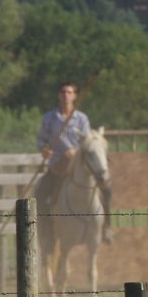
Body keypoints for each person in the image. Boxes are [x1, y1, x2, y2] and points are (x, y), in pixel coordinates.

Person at [34, 80, 91, 215]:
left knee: (104, 191)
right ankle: (46, 230)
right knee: (40, 195)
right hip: (56, 166)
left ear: (74, 96)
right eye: (63, 92)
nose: (66, 95)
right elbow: (41, 140)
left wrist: (74, 153)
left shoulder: (81, 119)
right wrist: (44, 150)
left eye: (69, 92)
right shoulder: (49, 118)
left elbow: (87, 142)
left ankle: (105, 227)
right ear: (59, 95)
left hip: (78, 166)